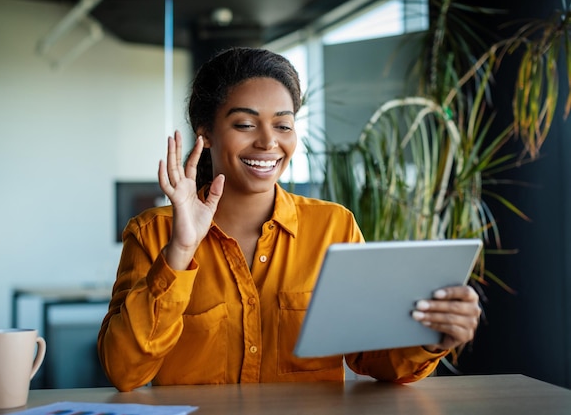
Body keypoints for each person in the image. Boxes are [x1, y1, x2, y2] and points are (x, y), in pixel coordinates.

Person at [97, 47, 481, 392]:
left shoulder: (334, 227)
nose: (268, 142)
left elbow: (371, 358)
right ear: (206, 134)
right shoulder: (151, 233)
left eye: (283, 125)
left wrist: (431, 337)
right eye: (245, 124)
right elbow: (124, 372)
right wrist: (180, 250)